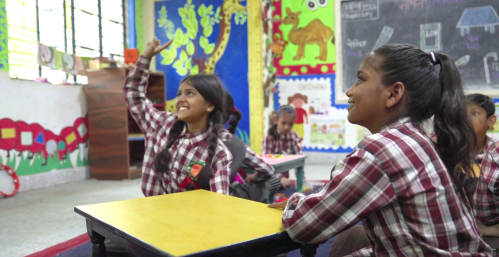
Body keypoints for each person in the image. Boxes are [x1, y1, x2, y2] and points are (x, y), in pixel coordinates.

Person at [269, 44, 491, 256]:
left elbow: (304, 226)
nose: (349, 91)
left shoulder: (381, 150)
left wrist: (294, 201)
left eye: (360, 79)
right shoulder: (418, 138)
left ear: (393, 94)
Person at [124, 38, 233, 196]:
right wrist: (146, 57)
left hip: (187, 218)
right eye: (179, 94)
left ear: (209, 105)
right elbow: (134, 95)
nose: (180, 99)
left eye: (190, 93)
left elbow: (219, 202)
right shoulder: (162, 124)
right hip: (151, 211)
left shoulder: (219, 154)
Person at [220, 92, 284, 193]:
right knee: (271, 181)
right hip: (228, 198)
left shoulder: (188, 138)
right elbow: (267, 170)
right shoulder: (233, 142)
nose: (184, 100)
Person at [466, 94, 499, 253]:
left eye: (474, 113)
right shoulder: (444, 152)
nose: (465, 119)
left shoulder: (495, 155)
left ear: (491, 121)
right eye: (461, 113)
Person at [262, 105, 303, 187]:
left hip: (284, 182)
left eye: (290, 124)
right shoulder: (269, 138)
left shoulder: (293, 137)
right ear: (276, 121)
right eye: (283, 123)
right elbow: (266, 165)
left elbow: (299, 161)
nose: (286, 127)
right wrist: (280, 178)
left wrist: (301, 181)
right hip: (268, 179)